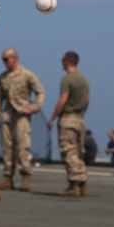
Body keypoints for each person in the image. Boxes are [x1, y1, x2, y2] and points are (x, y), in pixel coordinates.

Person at [0, 48, 45, 192]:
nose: (4, 63)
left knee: (22, 146)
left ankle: (25, 177)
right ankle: (8, 178)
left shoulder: (27, 75)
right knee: (7, 148)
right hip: (7, 116)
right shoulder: (3, 77)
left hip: (22, 115)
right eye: (3, 59)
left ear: (14, 58)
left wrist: (35, 107)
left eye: (6, 59)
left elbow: (40, 91)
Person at [47, 51, 90, 197]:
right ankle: (82, 183)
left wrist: (53, 118)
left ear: (67, 61)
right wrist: (81, 113)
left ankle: (73, 185)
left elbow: (63, 100)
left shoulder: (67, 79)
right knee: (78, 152)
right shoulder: (84, 79)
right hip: (80, 119)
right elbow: (87, 101)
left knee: (68, 151)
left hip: (68, 119)